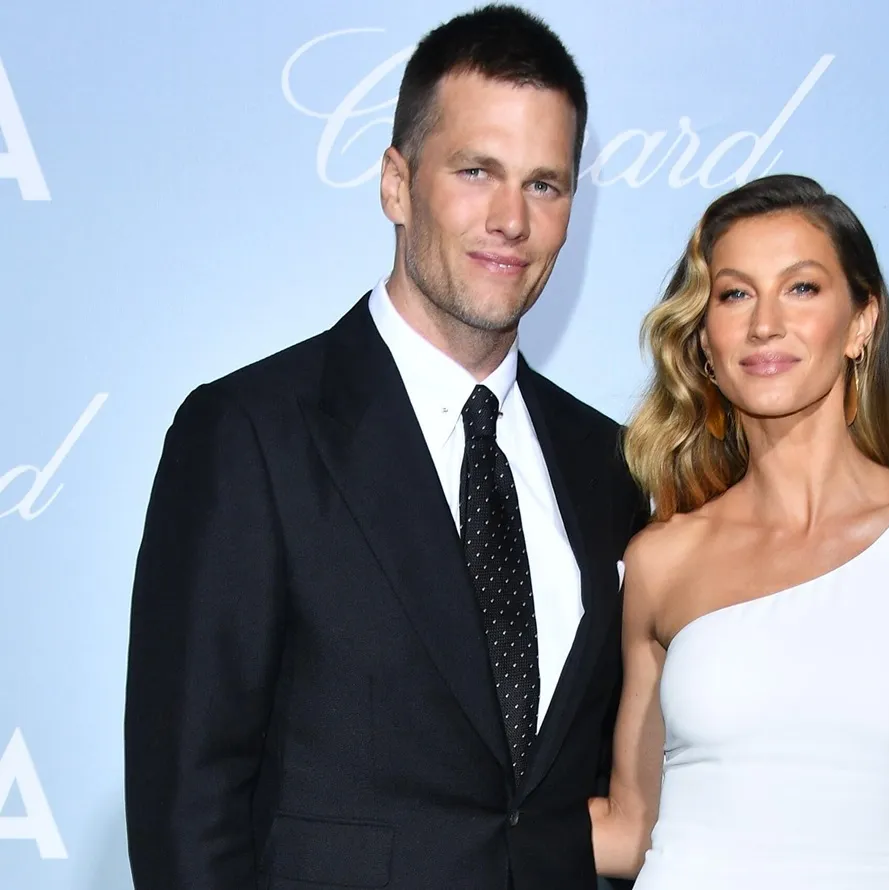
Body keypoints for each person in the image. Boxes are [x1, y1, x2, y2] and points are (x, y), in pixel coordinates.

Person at [123, 5, 646, 889]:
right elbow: (188, 805)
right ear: (396, 184)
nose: (511, 219)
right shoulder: (251, 435)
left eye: (545, 184)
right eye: (476, 170)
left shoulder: (611, 467)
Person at [589, 174, 889, 889]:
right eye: (735, 294)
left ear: (862, 322)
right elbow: (631, 827)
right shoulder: (663, 560)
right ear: (705, 340)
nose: (765, 323)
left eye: (801, 288)